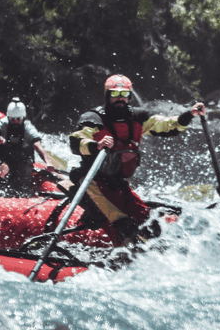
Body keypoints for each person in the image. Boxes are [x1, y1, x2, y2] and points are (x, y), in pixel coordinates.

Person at [69, 74, 206, 244]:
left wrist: (190, 114)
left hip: (118, 183)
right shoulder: (93, 119)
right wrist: (95, 145)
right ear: (107, 95)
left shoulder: (138, 117)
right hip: (91, 183)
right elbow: (76, 140)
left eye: (124, 95)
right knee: (124, 226)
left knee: (151, 225)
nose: (120, 99)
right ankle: (120, 248)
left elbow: (169, 125)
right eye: (114, 95)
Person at [0, 98, 50, 193]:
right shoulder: (2, 123)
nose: (15, 121)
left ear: (23, 118)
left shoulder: (28, 127)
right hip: (3, 159)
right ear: (8, 117)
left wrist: (47, 161)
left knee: (23, 182)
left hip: (22, 160)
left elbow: (38, 146)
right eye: (12, 119)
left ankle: (23, 193)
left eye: (18, 119)